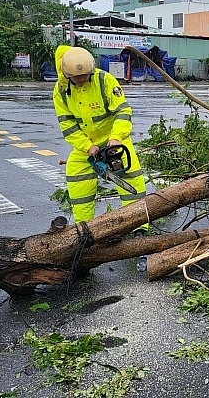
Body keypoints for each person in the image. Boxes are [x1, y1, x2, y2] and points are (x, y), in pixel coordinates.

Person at [52, 45, 149, 269]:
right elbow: (67, 125)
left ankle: (139, 229)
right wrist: (88, 147)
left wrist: (116, 138)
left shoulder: (105, 81)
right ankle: (83, 231)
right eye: (76, 77)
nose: (81, 79)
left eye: (84, 75)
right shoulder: (60, 91)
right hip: (85, 143)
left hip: (113, 138)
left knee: (131, 175)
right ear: (67, 74)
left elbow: (123, 111)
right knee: (76, 178)